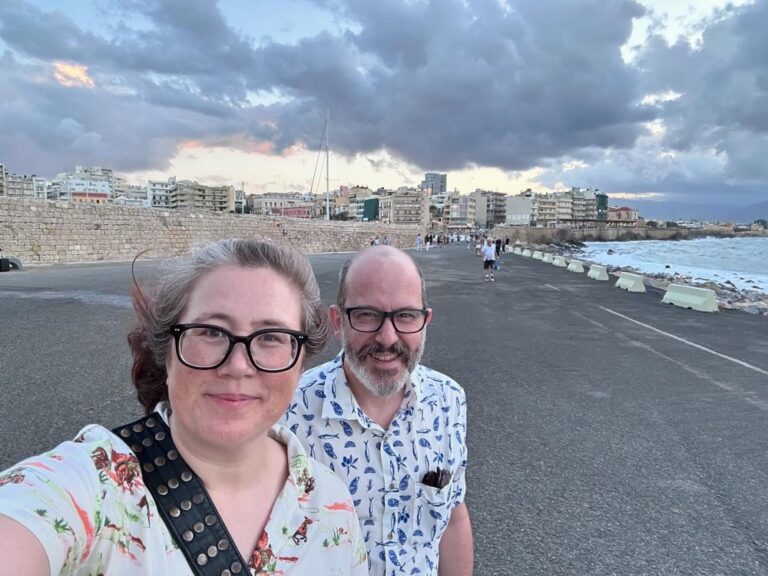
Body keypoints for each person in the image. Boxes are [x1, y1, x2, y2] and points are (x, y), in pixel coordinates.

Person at [0, 239, 367, 575]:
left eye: (272, 337)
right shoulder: (95, 485)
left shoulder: (332, 504)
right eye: (210, 331)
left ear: (300, 360)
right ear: (167, 351)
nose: (238, 365)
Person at [284, 246, 473, 576]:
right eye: (367, 315)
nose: (387, 337)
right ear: (337, 321)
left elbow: (453, 519)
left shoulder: (448, 401)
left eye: (405, 316)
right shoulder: (289, 411)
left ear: (425, 321)